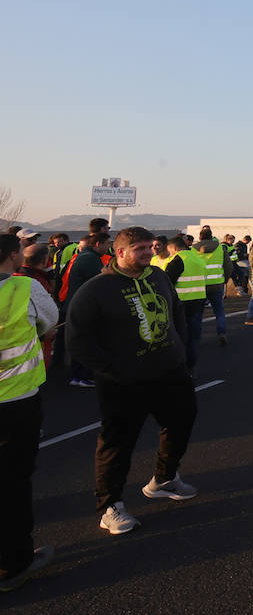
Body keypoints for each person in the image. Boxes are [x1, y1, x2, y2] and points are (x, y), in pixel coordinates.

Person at [66, 227, 198, 536]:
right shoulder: (97, 290)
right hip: (123, 383)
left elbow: (176, 310)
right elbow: (77, 340)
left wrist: (180, 349)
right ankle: (110, 506)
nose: (149, 252)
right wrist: (113, 369)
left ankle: (164, 480)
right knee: (117, 444)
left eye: (150, 247)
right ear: (121, 252)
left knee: (182, 420)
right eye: (140, 249)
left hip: (169, 372)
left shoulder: (158, 276)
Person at [0, 234, 57, 591]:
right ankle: (14, 563)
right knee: (12, 483)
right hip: (15, 403)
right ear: (11, 256)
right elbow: (50, 325)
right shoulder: (24, 289)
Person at [162, 236, 207, 374]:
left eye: (169, 250)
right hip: (199, 299)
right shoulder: (197, 258)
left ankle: (179, 366)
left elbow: (167, 282)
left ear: (174, 248)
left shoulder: (177, 260)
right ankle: (191, 366)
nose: (170, 253)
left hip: (181, 302)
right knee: (191, 337)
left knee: (178, 336)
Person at [14, 244, 57, 368]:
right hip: (36, 341)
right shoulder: (37, 283)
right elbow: (49, 316)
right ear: (44, 260)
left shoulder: (13, 277)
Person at [195, 227, 230, 346]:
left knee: (198, 314)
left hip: (199, 285)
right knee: (219, 311)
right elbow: (228, 265)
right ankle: (222, 333)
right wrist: (225, 279)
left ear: (200, 237)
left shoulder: (193, 249)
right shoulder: (220, 248)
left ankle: (196, 338)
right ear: (211, 236)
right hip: (216, 284)